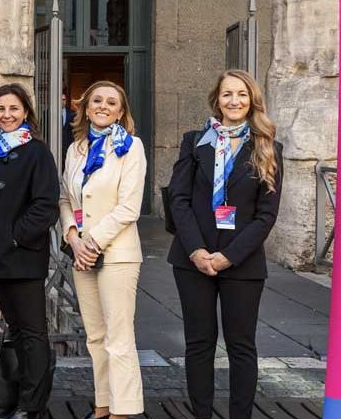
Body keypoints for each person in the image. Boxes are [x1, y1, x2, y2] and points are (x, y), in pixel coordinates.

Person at [167, 69, 283, 419]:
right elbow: (178, 200)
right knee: (199, 343)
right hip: (193, 260)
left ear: (252, 100)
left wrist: (228, 257)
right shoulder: (194, 142)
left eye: (242, 94)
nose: (235, 101)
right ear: (216, 100)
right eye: (227, 94)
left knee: (241, 346)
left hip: (242, 263)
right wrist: (197, 251)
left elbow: (266, 215)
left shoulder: (267, 147)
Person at [0, 83, 59, 419]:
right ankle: (24, 398)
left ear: (26, 113)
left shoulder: (37, 152)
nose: (7, 115)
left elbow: (45, 206)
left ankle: (32, 407)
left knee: (33, 334)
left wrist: (13, 237)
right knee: (18, 332)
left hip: (21, 258)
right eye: (0, 109)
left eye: (13, 109)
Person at [58, 81, 146, 419]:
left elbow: (129, 207)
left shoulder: (131, 148)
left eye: (111, 102)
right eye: (97, 100)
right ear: (85, 107)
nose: (103, 106)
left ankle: (123, 411)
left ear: (121, 112)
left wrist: (91, 243)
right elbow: (65, 198)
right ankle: (103, 406)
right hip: (82, 253)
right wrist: (73, 238)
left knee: (118, 337)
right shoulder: (75, 149)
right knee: (95, 337)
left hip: (117, 254)